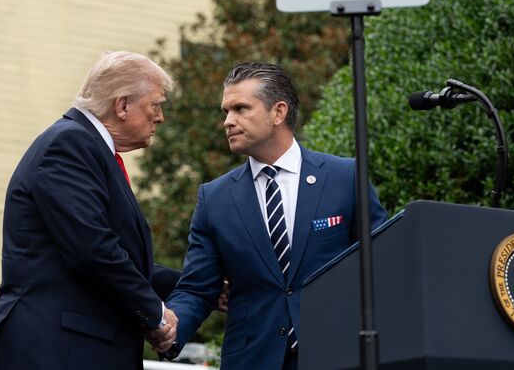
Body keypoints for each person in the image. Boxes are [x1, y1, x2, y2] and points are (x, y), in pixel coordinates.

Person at [166, 62, 388, 370]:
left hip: (337, 356)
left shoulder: (345, 177)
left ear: (278, 112)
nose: (228, 121)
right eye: (226, 111)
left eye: (241, 109)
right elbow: (197, 288)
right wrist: (169, 328)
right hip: (252, 361)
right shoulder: (214, 198)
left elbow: (383, 264)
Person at [0, 51, 180, 370]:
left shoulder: (86, 147)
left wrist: (198, 286)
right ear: (123, 105)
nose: (160, 117)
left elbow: (115, 256)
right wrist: (157, 315)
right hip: (54, 351)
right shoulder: (69, 144)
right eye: (156, 105)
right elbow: (93, 250)